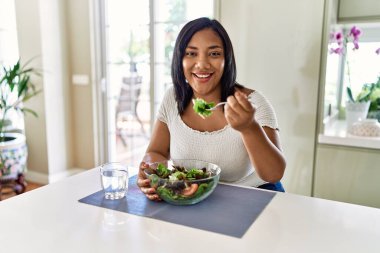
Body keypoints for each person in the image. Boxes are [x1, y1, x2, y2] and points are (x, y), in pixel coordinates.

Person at [137, 17, 286, 200]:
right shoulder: (173, 98)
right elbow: (157, 152)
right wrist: (151, 171)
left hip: (254, 197)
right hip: (196, 199)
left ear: (227, 59)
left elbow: (274, 174)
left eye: (214, 54)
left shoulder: (253, 103)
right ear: (179, 59)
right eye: (191, 53)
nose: (202, 64)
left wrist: (249, 128)